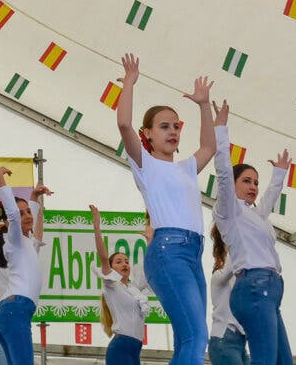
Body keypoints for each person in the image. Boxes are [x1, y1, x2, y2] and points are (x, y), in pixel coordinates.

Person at [116, 53, 216, 364]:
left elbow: (209, 147)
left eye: (176, 126)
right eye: (163, 126)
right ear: (147, 134)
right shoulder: (145, 164)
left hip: (193, 254)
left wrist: (203, 106)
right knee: (195, 336)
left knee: (194, 338)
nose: (173, 131)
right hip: (167, 250)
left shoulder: (186, 167)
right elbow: (123, 123)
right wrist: (130, 83)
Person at [211, 100, 292, 364]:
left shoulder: (255, 216)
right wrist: (221, 131)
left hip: (271, 290)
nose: (254, 186)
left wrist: (278, 174)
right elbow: (223, 172)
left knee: (283, 361)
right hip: (255, 287)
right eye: (246, 180)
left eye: (256, 182)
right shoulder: (229, 211)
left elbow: (268, 200)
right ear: (231, 186)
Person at [0, 173, 48, 365]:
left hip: (14, 313)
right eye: (20, 213)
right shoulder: (9, 244)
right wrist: (0, 182)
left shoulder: (24, 246)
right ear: (8, 225)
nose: (26, 216)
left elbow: (29, 225)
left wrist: (34, 199)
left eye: (28, 212)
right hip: (13, 312)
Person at [90, 205, 150, 365]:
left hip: (135, 349)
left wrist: (150, 241)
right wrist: (97, 227)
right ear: (111, 268)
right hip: (120, 348)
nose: (124, 264)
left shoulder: (134, 287)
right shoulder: (112, 285)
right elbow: (103, 256)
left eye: (127, 261)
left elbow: (149, 266)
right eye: (118, 261)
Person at [208, 225, 248, 365]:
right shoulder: (218, 276)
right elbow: (231, 265)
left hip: (241, 341)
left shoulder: (240, 277)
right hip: (223, 339)